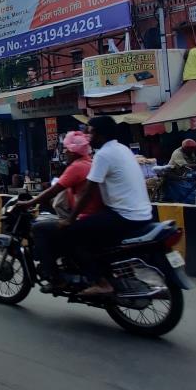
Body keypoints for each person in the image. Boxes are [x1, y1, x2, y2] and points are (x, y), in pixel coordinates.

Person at [68, 116, 153, 297]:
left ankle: (101, 282)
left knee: (73, 234)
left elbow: (88, 191)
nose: (87, 136)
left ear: (99, 134)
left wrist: (70, 219)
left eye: (90, 132)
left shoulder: (103, 155)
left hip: (124, 216)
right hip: (143, 214)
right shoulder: (123, 149)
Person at [28, 131, 104, 287]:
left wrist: (29, 202)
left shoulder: (77, 167)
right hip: (95, 217)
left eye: (66, 149)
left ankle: (54, 277)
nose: (64, 152)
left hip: (84, 218)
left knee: (39, 228)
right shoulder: (90, 163)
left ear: (73, 151)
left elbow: (53, 191)